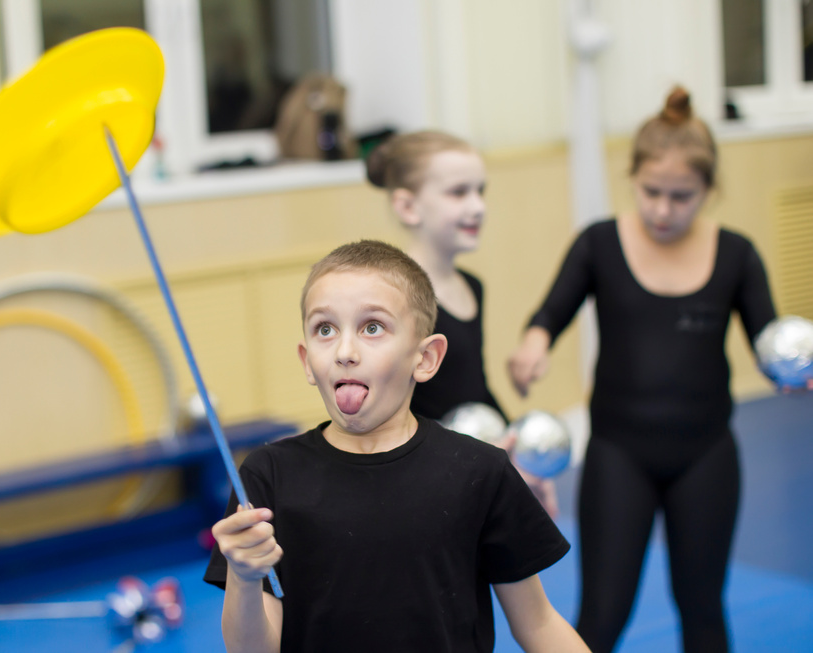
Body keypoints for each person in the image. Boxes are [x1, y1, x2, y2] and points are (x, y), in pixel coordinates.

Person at [204, 240, 589, 653]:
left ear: (425, 358)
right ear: (306, 361)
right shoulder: (268, 476)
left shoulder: (480, 470)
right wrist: (243, 578)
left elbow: (539, 624)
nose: (345, 352)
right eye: (325, 329)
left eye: (372, 327)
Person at [507, 87, 777, 652]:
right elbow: (551, 311)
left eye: (682, 196)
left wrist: (793, 370)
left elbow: (769, 343)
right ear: (631, 178)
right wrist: (534, 345)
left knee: (703, 608)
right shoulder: (600, 244)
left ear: (709, 189)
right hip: (618, 453)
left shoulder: (736, 255)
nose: (662, 209)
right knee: (603, 614)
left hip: (705, 454)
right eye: (651, 191)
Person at [365, 130, 559, 517]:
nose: (478, 206)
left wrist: (520, 460)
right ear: (408, 206)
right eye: (458, 193)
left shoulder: (472, 286)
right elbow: (383, 408)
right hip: (419, 482)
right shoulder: (392, 296)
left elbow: (475, 389)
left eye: (480, 191)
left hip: (467, 472)